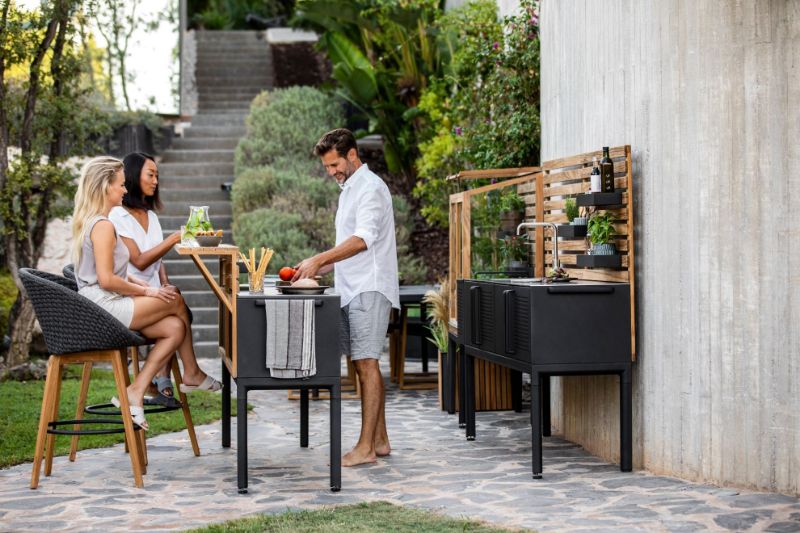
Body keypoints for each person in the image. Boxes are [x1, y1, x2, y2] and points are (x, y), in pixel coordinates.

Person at [71, 156, 221, 430]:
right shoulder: (103, 225)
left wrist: (149, 289)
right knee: (174, 298)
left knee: (175, 327)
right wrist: (148, 291)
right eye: (120, 184)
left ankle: (136, 390)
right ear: (105, 187)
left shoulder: (100, 222)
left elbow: (117, 272)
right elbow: (107, 279)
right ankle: (191, 372)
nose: (125, 189)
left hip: (107, 302)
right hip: (103, 307)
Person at [293, 128, 399, 467]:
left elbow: (363, 239)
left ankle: (365, 448)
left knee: (367, 363)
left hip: (370, 287)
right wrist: (314, 268)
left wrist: (319, 259)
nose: (331, 172)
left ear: (352, 155)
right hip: (352, 287)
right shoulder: (349, 189)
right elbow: (348, 248)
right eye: (326, 167)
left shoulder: (370, 188)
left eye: (334, 164)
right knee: (360, 363)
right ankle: (380, 440)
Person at [109, 152, 181, 407]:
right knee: (178, 307)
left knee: (177, 319)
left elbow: (157, 261)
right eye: (150, 175)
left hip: (152, 292)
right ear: (132, 176)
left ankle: (149, 384)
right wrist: (173, 240)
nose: (155, 181)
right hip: (130, 293)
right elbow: (139, 261)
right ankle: (173, 378)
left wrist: (165, 283)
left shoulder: (151, 216)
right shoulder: (117, 216)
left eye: (157, 176)